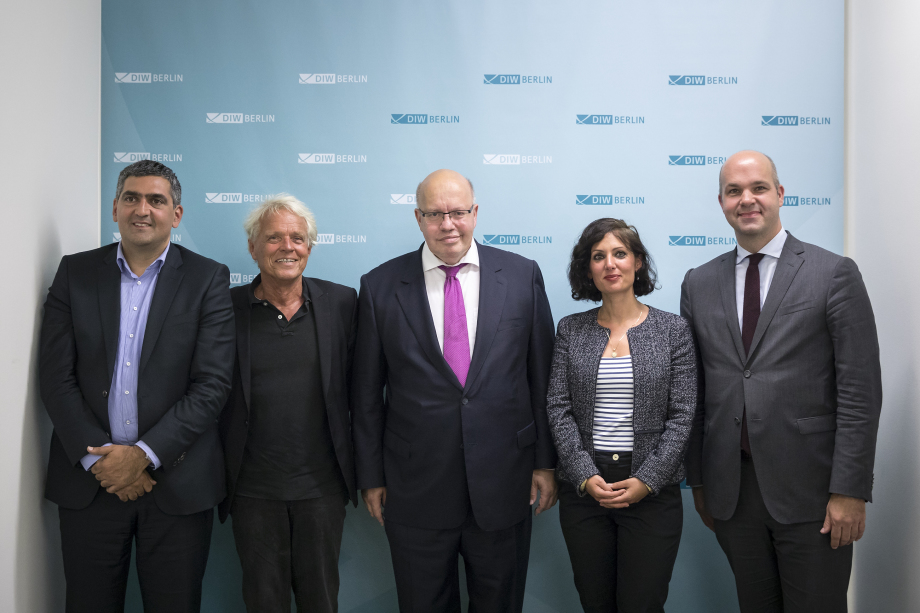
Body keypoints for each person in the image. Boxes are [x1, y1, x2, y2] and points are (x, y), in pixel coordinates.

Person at [681, 150, 882, 612]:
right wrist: (700, 483)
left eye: (758, 188)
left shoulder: (832, 273)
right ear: (721, 201)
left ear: (780, 194)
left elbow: (860, 392)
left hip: (814, 494)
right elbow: (697, 393)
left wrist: (849, 489)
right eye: (734, 191)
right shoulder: (698, 282)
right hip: (732, 493)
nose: (746, 199)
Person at [351, 169, 557, 612]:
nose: (448, 224)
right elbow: (366, 395)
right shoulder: (380, 286)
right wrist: (371, 476)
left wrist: (545, 463)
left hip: (505, 483)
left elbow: (542, 379)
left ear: (475, 213)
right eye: (434, 214)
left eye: (458, 212)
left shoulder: (522, 275)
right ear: (418, 218)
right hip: (414, 489)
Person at [39, 160, 235, 612]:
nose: (142, 209)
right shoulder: (76, 273)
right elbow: (55, 376)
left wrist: (142, 457)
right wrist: (102, 461)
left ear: (177, 214)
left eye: (156, 200)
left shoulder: (208, 279)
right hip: (91, 485)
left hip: (176, 485)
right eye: (131, 198)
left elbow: (212, 384)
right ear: (115, 208)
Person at [546, 219, 697, 612]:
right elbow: (558, 409)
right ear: (588, 269)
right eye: (599, 256)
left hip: (651, 492)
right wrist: (584, 474)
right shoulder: (570, 330)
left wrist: (648, 480)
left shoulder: (673, 330)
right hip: (585, 493)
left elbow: (683, 415)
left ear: (638, 263)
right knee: (595, 603)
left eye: (619, 254)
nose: (610, 264)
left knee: (642, 605)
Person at [218, 194, 358, 612]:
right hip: (251, 489)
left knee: (321, 600)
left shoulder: (342, 303)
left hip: (322, 488)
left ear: (310, 248)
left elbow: (366, 393)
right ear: (253, 247)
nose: (287, 247)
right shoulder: (225, 308)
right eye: (273, 237)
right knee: (263, 601)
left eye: (297, 238)